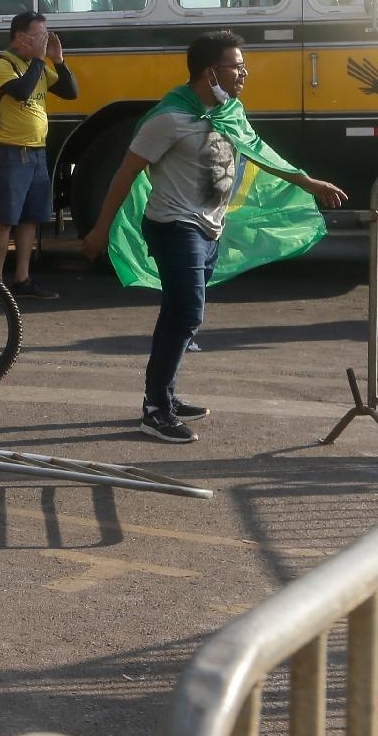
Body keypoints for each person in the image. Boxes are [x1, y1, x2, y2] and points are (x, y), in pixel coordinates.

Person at [82, 31, 346, 443]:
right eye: (236, 66)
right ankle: (156, 411)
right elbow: (125, 174)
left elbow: (260, 152)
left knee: (177, 315)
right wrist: (101, 230)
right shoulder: (169, 119)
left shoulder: (229, 112)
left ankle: (161, 396)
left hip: (209, 227)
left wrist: (308, 182)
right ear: (211, 73)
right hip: (175, 226)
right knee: (187, 314)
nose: (244, 73)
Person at [0, 12, 78, 301]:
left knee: (31, 218)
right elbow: (22, 92)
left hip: (37, 152)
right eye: (40, 36)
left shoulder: (36, 66)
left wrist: (58, 60)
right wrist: (38, 59)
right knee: (5, 218)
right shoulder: (0, 64)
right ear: (20, 38)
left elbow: (70, 92)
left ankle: (22, 279)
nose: (44, 41)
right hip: (12, 151)